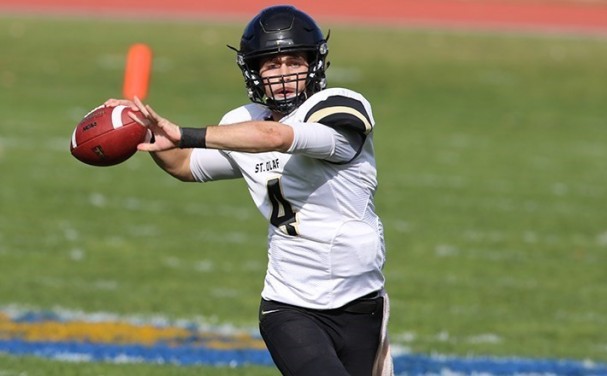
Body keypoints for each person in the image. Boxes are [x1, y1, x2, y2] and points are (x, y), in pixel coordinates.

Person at [105, 5, 392, 376]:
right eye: (271, 65)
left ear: (314, 64)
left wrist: (186, 133)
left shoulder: (339, 107)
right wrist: (147, 133)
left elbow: (275, 136)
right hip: (290, 305)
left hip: (362, 303)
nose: (284, 75)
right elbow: (185, 166)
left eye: (293, 62)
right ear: (254, 72)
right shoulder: (242, 122)